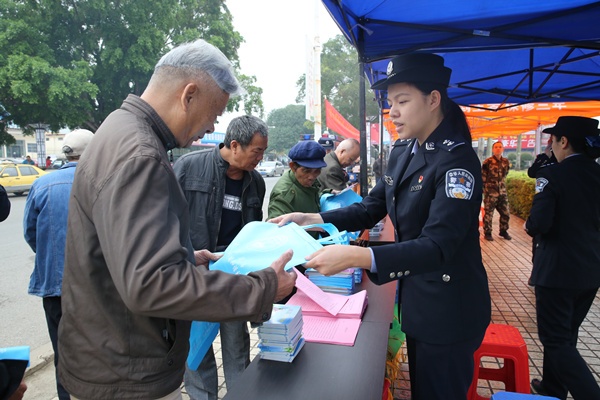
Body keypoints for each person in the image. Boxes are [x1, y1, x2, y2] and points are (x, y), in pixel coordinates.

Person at [57, 39, 296, 400]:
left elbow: (124, 252)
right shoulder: (141, 155)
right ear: (189, 95)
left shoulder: (118, 130)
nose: (212, 126)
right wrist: (263, 288)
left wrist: (184, 256)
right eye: (214, 113)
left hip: (107, 352)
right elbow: (152, 283)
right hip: (125, 371)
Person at [270, 53, 491, 400]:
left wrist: (356, 257)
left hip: (451, 310)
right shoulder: (404, 150)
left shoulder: (456, 163)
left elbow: (437, 246)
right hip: (419, 299)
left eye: (403, 101)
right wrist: (311, 219)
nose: (394, 112)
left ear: (433, 99)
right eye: (391, 103)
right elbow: (372, 207)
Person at [173, 115, 268, 400]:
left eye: (263, 152)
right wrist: (187, 256)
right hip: (194, 273)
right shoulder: (189, 168)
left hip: (233, 275)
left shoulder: (256, 182)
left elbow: (253, 228)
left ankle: (240, 395)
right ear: (235, 145)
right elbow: (167, 220)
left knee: (237, 345)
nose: (260, 159)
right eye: (257, 151)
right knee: (197, 349)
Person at [524, 116, 600, 400]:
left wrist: (529, 226)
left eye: (554, 140)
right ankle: (553, 388)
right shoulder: (596, 174)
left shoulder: (553, 175)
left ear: (563, 141)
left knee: (555, 340)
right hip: (590, 270)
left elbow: (540, 222)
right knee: (567, 335)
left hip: (557, 271)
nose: (551, 146)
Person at [23, 128, 94, 400]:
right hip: (96, 290)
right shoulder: (102, 181)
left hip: (55, 289)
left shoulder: (42, 184)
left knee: (63, 356)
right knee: (98, 353)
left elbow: (32, 233)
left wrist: (51, 255)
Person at [267, 140, 327, 220]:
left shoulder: (305, 182)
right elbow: (277, 227)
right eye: (306, 171)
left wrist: (327, 193)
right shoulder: (283, 195)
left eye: (317, 171)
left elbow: (310, 196)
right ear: (293, 167)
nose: (312, 177)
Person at [526, 136, 557, 286]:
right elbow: (532, 172)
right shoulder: (543, 158)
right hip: (543, 204)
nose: (550, 143)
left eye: (553, 140)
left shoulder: (561, 166)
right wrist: (545, 157)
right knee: (538, 242)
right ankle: (536, 271)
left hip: (549, 208)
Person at [481, 141, 511, 241]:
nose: (498, 149)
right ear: (493, 149)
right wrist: (484, 189)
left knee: (505, 212)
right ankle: (488, 232)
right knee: (489, 213)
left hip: (502, 192)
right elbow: (483, 177)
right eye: (496, 147)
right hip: (490, 192)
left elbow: (505, 174)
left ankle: (503, 231)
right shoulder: (487, 162)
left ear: (503, 149)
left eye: (500, 147)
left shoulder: (506, 162)